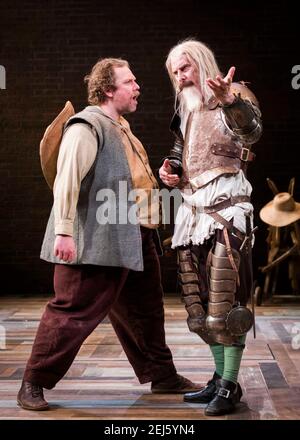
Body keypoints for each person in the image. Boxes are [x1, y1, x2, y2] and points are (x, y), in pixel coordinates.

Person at [17, 57, 200, 411]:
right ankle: (33, 381)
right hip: (98, 240)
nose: (137, 87)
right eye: (129, 82)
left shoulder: (121, 127)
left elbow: (130, 177)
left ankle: (162, 375)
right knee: (72, 311)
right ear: (107, 90)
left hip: (136, 235)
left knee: (145, 310)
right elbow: (67, 180)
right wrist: (64, 233)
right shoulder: (86, 126)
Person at [159, 40, 262, 416]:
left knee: (224, 308)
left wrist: (230, 100)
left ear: (202, 64)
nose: (180, 76)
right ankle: (219, 380)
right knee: (199, 312)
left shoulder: (233, 94)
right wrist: (170, 171)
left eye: (184, 68)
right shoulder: (185, 106)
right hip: (192, 211)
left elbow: (250, 132)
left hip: (227, 210)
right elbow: (181, 150)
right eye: (174, 71)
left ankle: (231, 384)